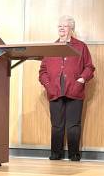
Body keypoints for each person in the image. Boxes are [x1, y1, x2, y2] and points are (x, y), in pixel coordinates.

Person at [39, 15, 95, 161]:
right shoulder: (51, 48)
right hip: (55, 91)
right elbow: (42, 71)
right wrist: (48, 85)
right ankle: (56, 153)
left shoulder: (81, 46)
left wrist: (81, 81)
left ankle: (74, 154)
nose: (61, 29)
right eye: (59, 26)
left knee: (73, 125)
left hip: (74, 91)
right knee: (57, 125)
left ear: (71, 29)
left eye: (64, 26)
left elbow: (89, 67)